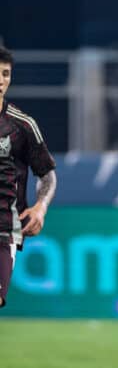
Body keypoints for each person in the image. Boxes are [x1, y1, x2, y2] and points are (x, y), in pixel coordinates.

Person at [0, 46, 57, 308]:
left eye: (5, 74)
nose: (1, 80)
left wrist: (41, 207)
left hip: (4, 229)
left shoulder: (22, 125)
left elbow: (47, 175)